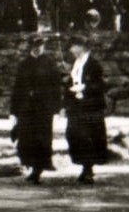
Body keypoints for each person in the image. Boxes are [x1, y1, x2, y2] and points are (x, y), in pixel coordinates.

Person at [9, 33, 62, 182]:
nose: (38, 48)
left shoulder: (49, 63)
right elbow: (17, 88)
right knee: (27, 138)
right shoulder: (24, 64)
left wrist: (56, 107)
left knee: (42, 139)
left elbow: (56, 86)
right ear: (30, 47)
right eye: (35, 46)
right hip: (26, 108)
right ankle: (31, 167)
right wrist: (14, 110)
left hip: (43, 109)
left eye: (40, 45)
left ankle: (38, 170)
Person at [63, 31, 109, 183]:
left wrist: (84, 87)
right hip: (76, 107)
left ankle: (88, 169)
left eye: (73, 47)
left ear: (81, 47)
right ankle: (83, 166)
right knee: (74, 135)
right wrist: (66, 101)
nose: (71, 50)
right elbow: (69, 83)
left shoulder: (94, 65)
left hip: (90, 107)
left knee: (88, 137)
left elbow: (100, 85)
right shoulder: (76, 64)